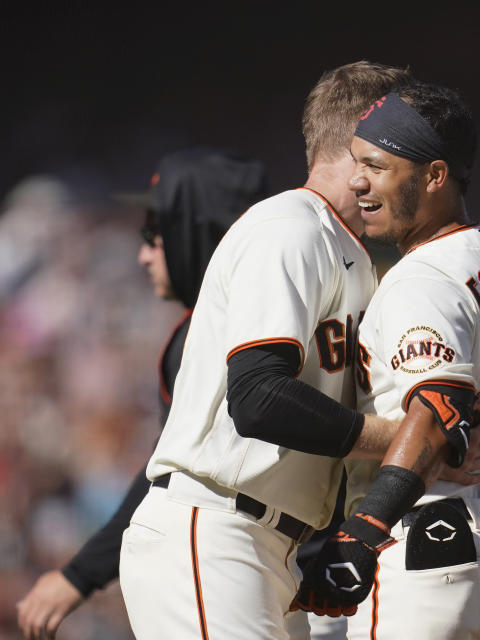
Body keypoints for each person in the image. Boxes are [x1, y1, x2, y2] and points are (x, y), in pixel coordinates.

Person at [116, 62, 419, 640]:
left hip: (268, 544)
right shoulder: (290, 227)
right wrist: (400, 437)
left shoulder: (349, 250)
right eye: (401, 142)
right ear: (363, 144)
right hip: (214, 526)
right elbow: (257, 399)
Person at [289, 81, 480, 639]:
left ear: (435, 176)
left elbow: (439, 408)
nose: (359, 181)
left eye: (378, 166)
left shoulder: (424, 275)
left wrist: (363, 534)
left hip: (424, 550)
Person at [15, 147, 268, 640]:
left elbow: (167, 475)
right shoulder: (283, 317)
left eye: (156, 234)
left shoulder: (214, 337)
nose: (145, 253)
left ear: (196, 231)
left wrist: (79, 575)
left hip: (254, 570)